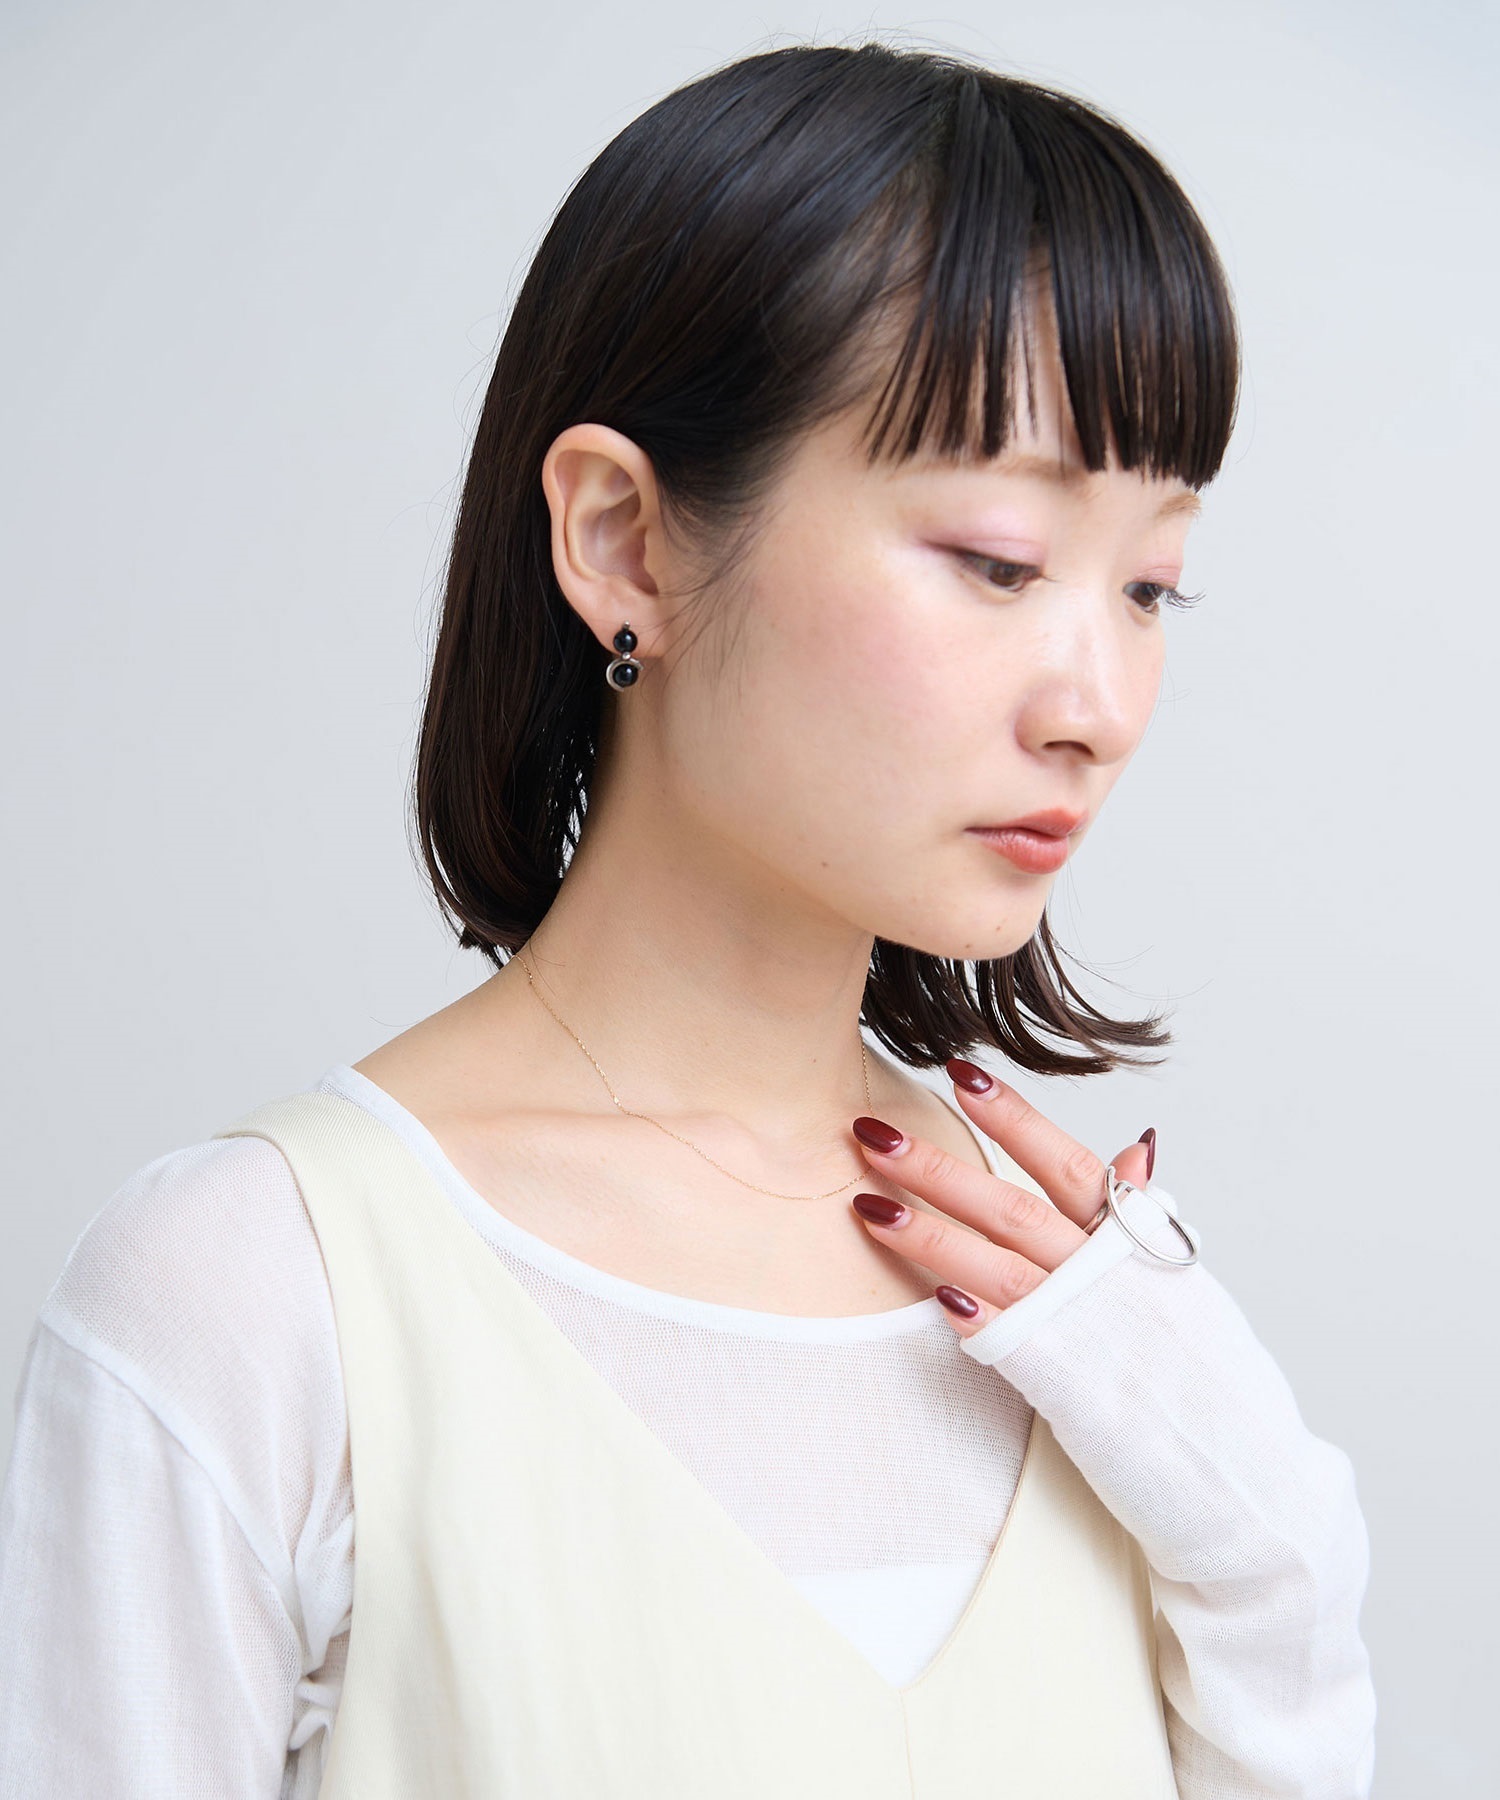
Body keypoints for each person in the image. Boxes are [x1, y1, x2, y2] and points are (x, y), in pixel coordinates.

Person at [0, 39, 1376, 1798]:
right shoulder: (256, 1295)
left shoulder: (1089, 1316)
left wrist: (1261, 1533)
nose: (1097, 703)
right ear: (625, 540)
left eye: (1153, 585)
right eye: (999, 560)